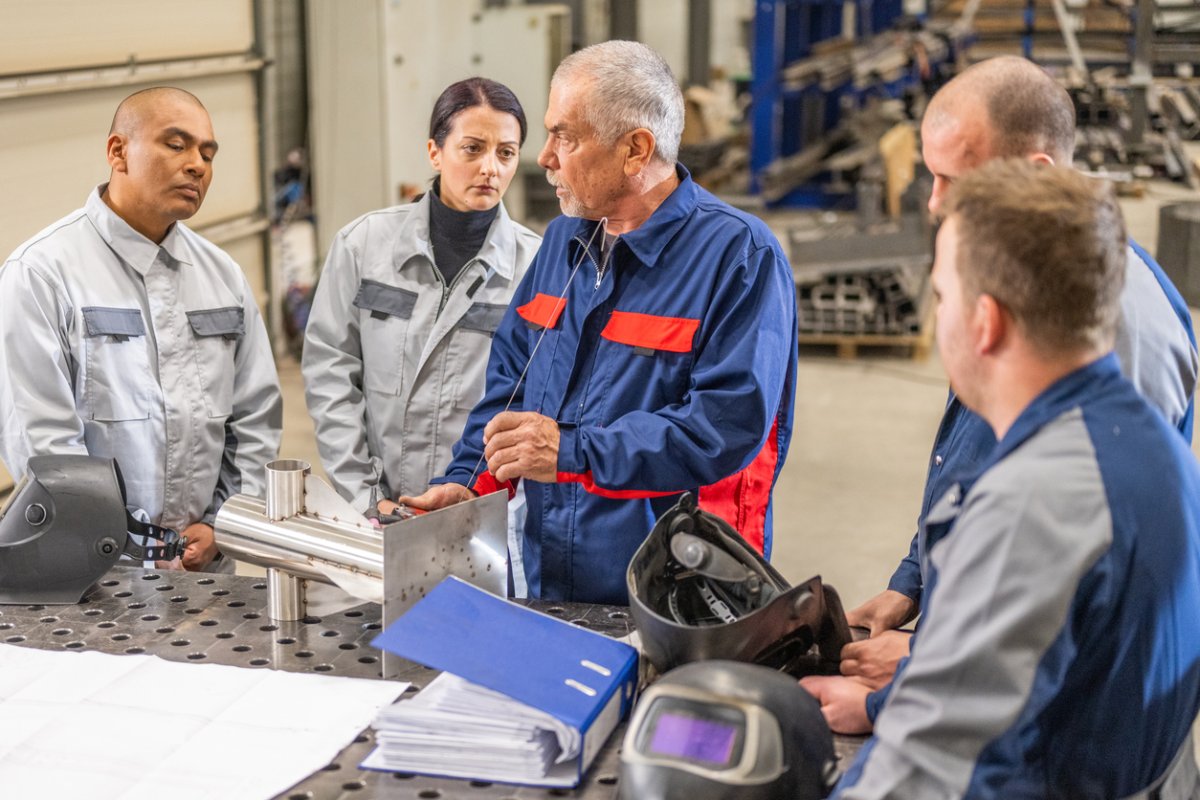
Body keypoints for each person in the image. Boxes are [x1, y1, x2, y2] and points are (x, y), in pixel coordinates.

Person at [805, 159, 1200, 797]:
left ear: (985, 322)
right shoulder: (1146, 442)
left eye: (941, 296)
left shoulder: (1038, 503)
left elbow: (923, 777)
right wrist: (885, 703)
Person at [837, 56, 1199, 713]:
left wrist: (916, 670)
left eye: (953, 177)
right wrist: (916, 581)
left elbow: (1081, 603)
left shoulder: (1119, 330)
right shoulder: (1020, 280)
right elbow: (979, 463)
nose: (935, 201)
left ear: (1034, 173)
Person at [394, 40, 799, 605]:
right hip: (553, 574)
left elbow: (723, 426)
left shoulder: (739, 256)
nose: (546, 158)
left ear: (635, 150)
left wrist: (571, 450)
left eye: (567, 136)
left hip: (679, 591)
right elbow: (512, 386)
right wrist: (468, 485)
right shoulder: (566, 241)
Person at [0, 87, 282, 571]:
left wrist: (223, 522)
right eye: (176, 144)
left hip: (205, 566)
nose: (197, 164)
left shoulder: (222, 277)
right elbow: (42, 440)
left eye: (207, 153)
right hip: (93, 568)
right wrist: (125, 544)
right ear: (118, 152)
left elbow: (255, 416)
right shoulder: (42, 273)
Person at [301, 78, 540, 588]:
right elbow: (330, 374)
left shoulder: (535, 268)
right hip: (369, 511)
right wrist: (365, 496)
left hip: (482, 518)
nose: (490, 168)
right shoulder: (364, 246)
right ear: (434, 150)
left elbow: (533, 404)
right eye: (472, 149)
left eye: (506, 152)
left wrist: (476, 493)